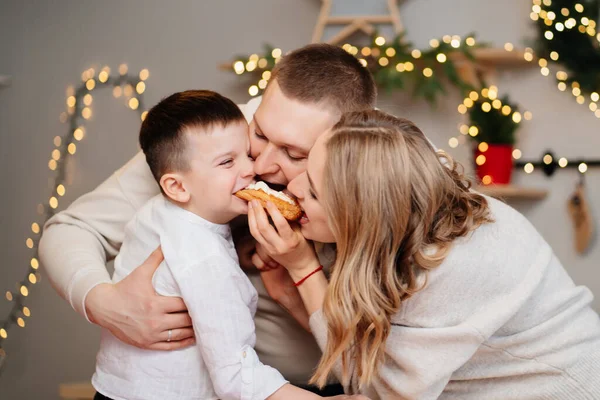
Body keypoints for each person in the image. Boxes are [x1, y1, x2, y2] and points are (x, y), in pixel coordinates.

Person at [38, 43, 376, 395]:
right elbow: (72, 229)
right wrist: (104, 304)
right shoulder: (212, 138)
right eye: (258, 134)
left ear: (345, 148)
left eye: (294, 154)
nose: (258, 166)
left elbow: (388, 355)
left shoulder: (387, 169)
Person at [247, 110, 600, 399]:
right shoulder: (410, 211)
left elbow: (372, 386)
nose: (292, 189)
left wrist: (303, 268)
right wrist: (292, 289)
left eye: (313, 192)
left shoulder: (446, 268)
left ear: (361, 214)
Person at [92, 89, 336, 400]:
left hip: (116, 386)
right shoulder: (203, 256)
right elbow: (234, 373)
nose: (252, 169)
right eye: (226, 162)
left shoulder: (158, 213)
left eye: (246, 154)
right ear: (177, 186)